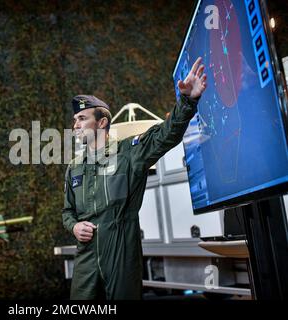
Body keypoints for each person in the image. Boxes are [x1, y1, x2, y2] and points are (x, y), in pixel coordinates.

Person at [62, 57, 207, 299]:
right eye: (75, 119)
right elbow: (67, 212)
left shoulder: (129, 152)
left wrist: (188, 101)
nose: (75, 124)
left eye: (82, 118)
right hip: (85, 254)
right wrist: (74, 226)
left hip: (121, 249)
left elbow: (166, 134)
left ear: (102, 122)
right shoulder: (74, 167)